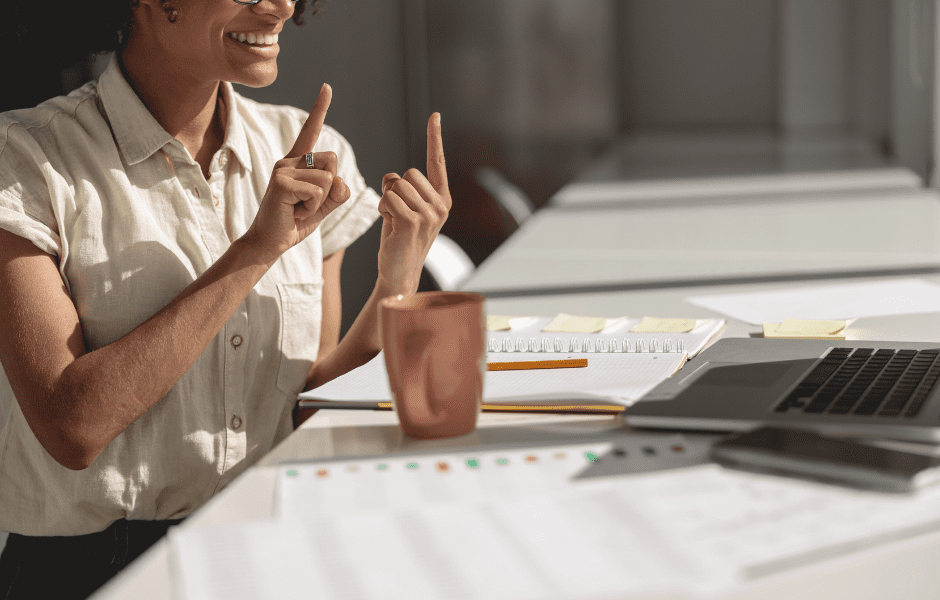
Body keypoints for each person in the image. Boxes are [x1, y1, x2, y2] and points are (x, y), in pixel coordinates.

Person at [0, 0, 451, 597]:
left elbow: (309, 411)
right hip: (94, 575)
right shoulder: (25, 160)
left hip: (272, 552)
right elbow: (72, 429)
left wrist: (397, 279)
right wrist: (256, 249)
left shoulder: (305, 147)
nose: (281, 6)